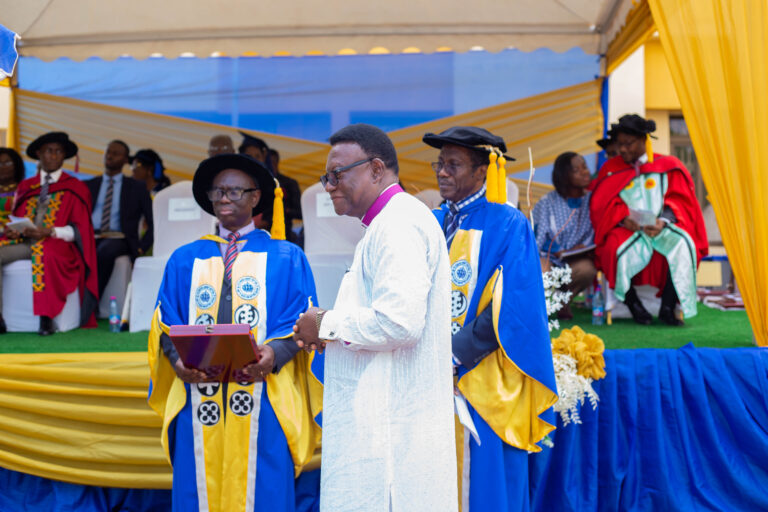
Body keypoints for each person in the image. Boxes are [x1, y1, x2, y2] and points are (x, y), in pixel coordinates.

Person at [292, 123, 458, 512]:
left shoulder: (398, 224)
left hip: (391, 445)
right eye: (326, 177)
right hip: (385, 433)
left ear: (376, 169)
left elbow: (399, 323)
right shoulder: (388, 223)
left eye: (337, 174)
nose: (329, 186)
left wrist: (326, 324)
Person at [147, 153, 321, 511]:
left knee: (264, 488)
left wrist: (274, 355)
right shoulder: (185, 258)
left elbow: (302, 321)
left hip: (264, 394)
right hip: (199, 394)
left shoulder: (286, 256)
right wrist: (178, 361)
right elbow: (164, 322)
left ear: (256, 197)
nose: (224, 198)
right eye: (218, 192)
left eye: (234, 191)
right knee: (199, 487)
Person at [423, 126, 558, 511]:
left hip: (480, 376)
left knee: (481, 484)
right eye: (439, 163)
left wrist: (452, 355)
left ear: (482, 171)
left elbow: (514, 306)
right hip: (424, 373)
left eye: (453, 164)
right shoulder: (428, 222)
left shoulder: (508, 224)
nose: (442, 172)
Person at [590, 114, 708, 325]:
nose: (622, 149)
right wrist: (624, 218)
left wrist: (663, 221)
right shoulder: (611, 169)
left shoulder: (668, 165)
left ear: (643, 140)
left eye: (628, 143)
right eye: (620, 144)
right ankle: (634, 305)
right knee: (612, 247)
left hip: (662, 226)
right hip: (628, 227)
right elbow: (603, 205)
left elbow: (680, 200)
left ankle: (668, 307)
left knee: (685, 244)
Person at [0, 132, 98, 335]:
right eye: (48, 151)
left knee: (45, 253)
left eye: (58, 151)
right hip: (26, 242)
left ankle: (47, 318)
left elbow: (80, 231)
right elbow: (15, 218)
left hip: (58, 244)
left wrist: (51, 231)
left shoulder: (76, 187)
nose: (53, 156)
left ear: (64, 155)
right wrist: (14, 231)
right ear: (39, 154)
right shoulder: (26, 186)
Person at [532, 151, 597, 319]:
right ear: (564, 176)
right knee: (540, 270)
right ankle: (536, 312)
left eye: (585, 167)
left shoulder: (593, 200)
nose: (585, 172)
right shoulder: (547, 202)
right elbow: (536, 235)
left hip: (576, 259)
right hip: (549, 257)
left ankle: (564, 301)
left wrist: (582, 248)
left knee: (587, 270)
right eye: (577, 170)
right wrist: (556, 250)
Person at [86, 141, 154, 296]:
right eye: (108, 152)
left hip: (118, 238)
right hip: (89, 236)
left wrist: (141, 248)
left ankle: (91, 301)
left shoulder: (137, 187)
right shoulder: (89, 185)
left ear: (125, 160)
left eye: (116, 154)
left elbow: (153, 221)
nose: (110, 156)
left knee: (104, 252)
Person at [268, 149, 302, 243]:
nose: (270, 165)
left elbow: (300, 213)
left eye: (272, 162)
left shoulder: (289, 183)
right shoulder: (258, 183)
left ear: (277, 162)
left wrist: (286, 210)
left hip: (284, 234)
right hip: (261, 233)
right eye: (268, 162)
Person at [0, 148, 26, 231]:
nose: (3, 167)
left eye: (8, 163)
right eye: (0, 164)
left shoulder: (27, 189)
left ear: (17, 165)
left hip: (19, 234)